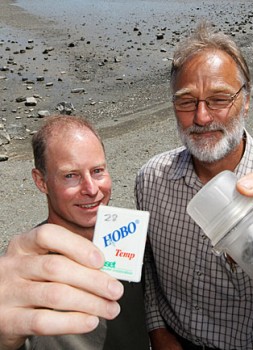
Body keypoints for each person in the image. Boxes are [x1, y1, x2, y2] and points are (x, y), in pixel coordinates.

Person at [135, 22, 253, 350]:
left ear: (246, 101)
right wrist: (157, 331)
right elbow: (147, 267)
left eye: (219, 99)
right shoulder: (151, 181)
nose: (202, 117)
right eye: (186, 102)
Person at [0, 115, 149, 350]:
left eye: (98, 171)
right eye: (71, 175)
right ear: (41, 181)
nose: (91, 189)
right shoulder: (26, 271)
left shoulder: (132, 241)